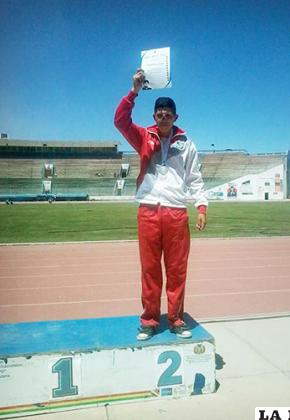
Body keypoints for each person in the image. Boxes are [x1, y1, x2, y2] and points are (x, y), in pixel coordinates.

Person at [114, 69, 208, 340]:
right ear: (154, 116)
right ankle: (150, 320)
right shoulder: (144, 136)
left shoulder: (187, 144)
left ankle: (177, 319)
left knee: (177, 269)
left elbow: (195, 177)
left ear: (176, 116)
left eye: (168, 112)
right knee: (150, 269)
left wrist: (201, 206)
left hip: (177, 211)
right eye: (159, 112)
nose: (164, 116)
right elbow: (120, 121)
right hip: (148, 210)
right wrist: (134, 91)